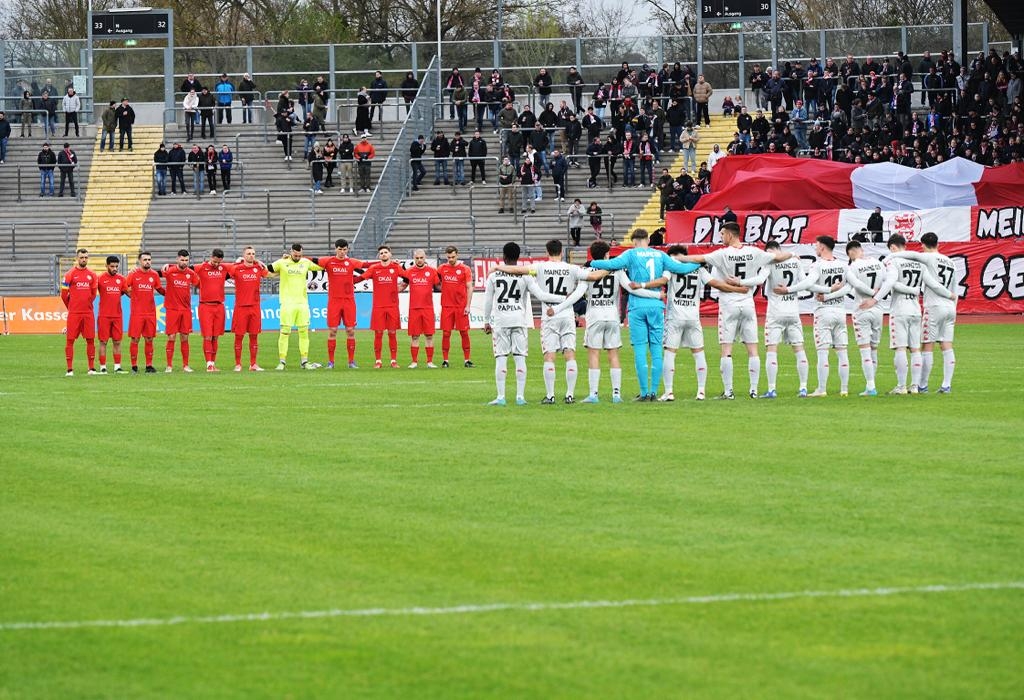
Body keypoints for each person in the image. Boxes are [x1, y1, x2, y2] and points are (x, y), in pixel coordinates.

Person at [679, 222, 793, 399]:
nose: (721, 237)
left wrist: (679, 258)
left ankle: (729, 391)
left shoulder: (722, 254)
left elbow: (698, 259)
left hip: (728, 304)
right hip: (748, 303)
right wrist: (793, 254)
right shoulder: (753, 251)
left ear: (730, 235)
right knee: (752, 349)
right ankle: (753, 390)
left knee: (726, 349)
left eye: (722, 234)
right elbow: (779, 258)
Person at [588, 229, 703, 401]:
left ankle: (643, 392)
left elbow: (611, 264)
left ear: (634, 241)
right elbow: (680, 268)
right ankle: (654, 392)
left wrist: (592, 263)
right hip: (656, 306)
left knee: (640, 349)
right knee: (656, 349)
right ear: (648, 240)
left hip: (637, 306)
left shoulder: (630, 254)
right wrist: (698, 264)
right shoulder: (660, 255)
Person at [546, 241, 659, 403]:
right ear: (607, 255)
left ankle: (594, 394)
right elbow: (631, 288)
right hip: (612, 315)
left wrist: (557, 308)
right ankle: (616, 394)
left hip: (595, 315)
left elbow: (577, 294)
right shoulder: (617, 270)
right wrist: (656, 295)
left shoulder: (588, 271)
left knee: (594, 353)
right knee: (613, 354)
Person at [497, 240, 583, 403]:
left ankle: (550, 395)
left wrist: (498, 268)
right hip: (567, 314)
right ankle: (569, 395)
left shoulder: (540, 267)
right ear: (562, 251)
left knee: (549, 356)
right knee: (570, 354)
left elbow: (518, 270)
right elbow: (587, 277)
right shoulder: (571, 268)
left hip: (549, 316)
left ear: (547, 252)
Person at [659, 245, 747, 401]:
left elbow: (663, 280)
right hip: (693, 317)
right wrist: (738, 289)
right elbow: (717, 284)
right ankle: (701, 391)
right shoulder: (698, 268)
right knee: (698, 353)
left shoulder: (671, 267)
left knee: (670, 353)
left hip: (675, 316)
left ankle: (669, 392)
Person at [482, 242, 559, 406]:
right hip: (519, 320)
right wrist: (561, 298)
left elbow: (488, 300)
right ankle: (520, 397)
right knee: (520, 357)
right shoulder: (525, 275)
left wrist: (487, 321)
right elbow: (540, 295)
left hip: (501, 321)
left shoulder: (494, 276)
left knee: (501, 357)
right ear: (518, 257)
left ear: (503, 256)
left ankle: (501, 397)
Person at [731, 239, 810, 398]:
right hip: (793, 311)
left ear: (771, 251)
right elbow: (805, 283)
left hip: (775, 312)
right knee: (799, 349)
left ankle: (772, 389)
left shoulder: (770, 262)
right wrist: (790, 290)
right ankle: (803, 387)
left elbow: (759, 280)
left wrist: (740, 281)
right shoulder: (795, 261)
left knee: (772, 350)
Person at [772, 236, 848, 397]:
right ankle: (844, 389)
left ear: (822, 247)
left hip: (823, 311)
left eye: (816, 245)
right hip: (841, 311)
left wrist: (788, 289)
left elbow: (807, 284)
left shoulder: (817, 265)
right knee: (842, 351)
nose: (815, 248)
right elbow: (849, 287)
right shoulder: (843, 264)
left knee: (823, 352)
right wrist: (832, 292)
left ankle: (822, 389)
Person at [886, 232, 958, 393]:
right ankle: (946, 384)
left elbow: (909, 254)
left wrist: (889, 257)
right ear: (938, 244)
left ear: (923, 245)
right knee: (947, 345)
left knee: (927, 346)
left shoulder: (927, 258)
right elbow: (955, 289)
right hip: (950, 307)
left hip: (934, 306)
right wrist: (954, 305)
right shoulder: (951, 262)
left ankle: (922, 385)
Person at [867, 234, 935, 394]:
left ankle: (901, 386)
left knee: (901, 348)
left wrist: (875, 299)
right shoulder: (919, 263)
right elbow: (930, 284)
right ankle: (915, 386)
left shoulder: (893, 261)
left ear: (892, 247)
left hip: (900, 309)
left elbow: (890, 282)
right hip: (916, 309)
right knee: (915, 349)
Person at [265, 243, 324, 370]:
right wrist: (277, 267)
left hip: (302, 303)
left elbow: (322, 266)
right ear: (291, 252)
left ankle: (304, 362)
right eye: (295, 255)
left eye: (299, 255)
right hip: (287, 303)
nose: (297, 257)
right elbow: (266, 271)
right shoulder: (282, 262)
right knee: (285, 332)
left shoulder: (305, 262)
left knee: (304, 333)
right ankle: (282, 362)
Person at [839, 240, 886, 396]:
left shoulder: (853, 266)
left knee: (865, 349)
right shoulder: (878, 263)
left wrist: (871, 293)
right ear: (861, 249)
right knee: (874, 349)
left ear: (851, 252)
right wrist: (876, 296)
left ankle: (871, 386)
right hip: (878, 309)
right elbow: (887, 283)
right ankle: (871, 385)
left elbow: (856, 285)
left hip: (861, 309)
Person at [315, 239, 366, 369]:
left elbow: (366, 265)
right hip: (334, 301)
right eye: (340, 249)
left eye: (344, 249)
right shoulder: (328, 261)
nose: (342, 252)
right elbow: (311, 260)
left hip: (349, 301)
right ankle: (331, 362)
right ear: (335, 249)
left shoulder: (351, 262)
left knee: (350, 330)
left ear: (347, 250)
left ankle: (351, 362)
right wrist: (293, 257)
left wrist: (387, 262)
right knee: (333, 331)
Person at [355, 245, 407, 368]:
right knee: (378, 333)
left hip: (392, 306)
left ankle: (393, 361)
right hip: (378, 306)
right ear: (379, 256)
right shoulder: (374, 268)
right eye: (381, 253)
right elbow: (360, 278)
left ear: (390, 254)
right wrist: (344, 280)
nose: (383, 254)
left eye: (385, 252)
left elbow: (408, 278)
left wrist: (402, 287)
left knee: (392, 333)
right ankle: (378, 361)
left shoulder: (396, 267)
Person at [228, 246, 269, 371]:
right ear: (244, 255)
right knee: (239, 336)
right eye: (249, 253)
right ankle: (238, 364)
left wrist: (259, 262)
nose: (251, 255)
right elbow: (229, 272)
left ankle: (253, 364)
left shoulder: (258, 268)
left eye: (253, 254)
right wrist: (237, 262)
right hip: (241, 307)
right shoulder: (237, 268)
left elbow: (268, 273)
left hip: (255, 307)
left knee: (254, 336)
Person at [60, 248, 98, 376]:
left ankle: (91, 368)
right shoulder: (69, 274)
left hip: (88, 313)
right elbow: (63, 295)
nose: (84, 259)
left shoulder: (92, 275)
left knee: (90, 339)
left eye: (86, 257)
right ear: (77, 258)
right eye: (82, 257)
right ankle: (69, 369)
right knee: (70, 340)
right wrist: (71, 307)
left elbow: (93, 294)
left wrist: (86, 305)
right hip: (74, 313)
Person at [193, 249, 232, 371]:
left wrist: (244, 260)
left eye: (219, 262)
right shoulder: (201, 267)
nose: (216, 264)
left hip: (219, 306)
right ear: (211, 257)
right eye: (215, 261)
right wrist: (168, 266)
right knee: (208, 336)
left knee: (215, 336)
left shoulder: (223, 268)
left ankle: (213, 363)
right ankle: (208, 364)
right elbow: (184, 268)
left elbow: (239, 266)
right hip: (205, 306)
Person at [126, 252, 165, 373]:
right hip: (137, 313)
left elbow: (159, 289)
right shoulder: (133, 274)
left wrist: (171, 293)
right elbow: (125, 287)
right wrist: (132, 296)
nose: (147, 262)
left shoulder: (154, 275)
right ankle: (134, 366)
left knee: (149, 339)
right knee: (135, 339)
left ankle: (149, 365)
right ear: (140, 261)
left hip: (150, 313)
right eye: (145, 260)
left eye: (149, 259)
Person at [161, 249, 200, 372]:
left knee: (185, 337)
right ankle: (169, 366)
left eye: (186, 260)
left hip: (185, 309)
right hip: (172, 309)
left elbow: (199, 284)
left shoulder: (191, 274)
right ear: (177, 259)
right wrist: (168, 265)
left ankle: (186, 365)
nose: (184, 262)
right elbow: (156, 273)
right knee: (171, 337)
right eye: (182, 260)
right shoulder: (170, 271)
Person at [437, 246, 474, 368]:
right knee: (446, 333)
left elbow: (469, 287)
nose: (451, 259)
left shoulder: (465, 269)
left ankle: (467, 360)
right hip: (447, 306)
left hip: (461, 306)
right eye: (449, 257)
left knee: (464, 332)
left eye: (453, 257)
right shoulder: (442, 268)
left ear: (457, 255)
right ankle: (445, 360)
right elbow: (434, 281)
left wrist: (468, 305)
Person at [403, 249, 440, 368]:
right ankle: (414, 362)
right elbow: (402, 286)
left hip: (428, 308)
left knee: (429, 335)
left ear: (425, 258)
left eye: (421, 258)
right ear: (414, 259)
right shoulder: (409, 272)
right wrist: (388, 291)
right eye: (417, 258)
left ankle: (430, 362)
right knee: (415, 336)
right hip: (414, 309)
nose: (419, 260)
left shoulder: (432, 271)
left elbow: (439, 286)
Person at [95, 255, 127, 373]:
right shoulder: (100, 279)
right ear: (106, 266)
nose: (115, 269)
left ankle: (117, 367)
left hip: (117, 315)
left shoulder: (121, 279)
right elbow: (91, 291)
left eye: (116, 266)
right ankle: (103, 367)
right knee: (103, 341)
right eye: (112, 266)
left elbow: (128, 293)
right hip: (104, 315)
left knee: (117, 341)